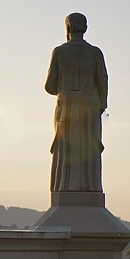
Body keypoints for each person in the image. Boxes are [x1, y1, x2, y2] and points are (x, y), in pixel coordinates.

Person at [44, 12, 109, 194]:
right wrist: (100, 104)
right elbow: (103, 80)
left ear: (68, 28)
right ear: (85, 28)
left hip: (67, 108)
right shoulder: (95, 53)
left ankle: (65, 188)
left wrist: (67, 88)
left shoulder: (59, 52)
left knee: (67, 149)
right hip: (90, 107)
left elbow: (50, 86)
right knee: (89, 149)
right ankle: (90, 188)